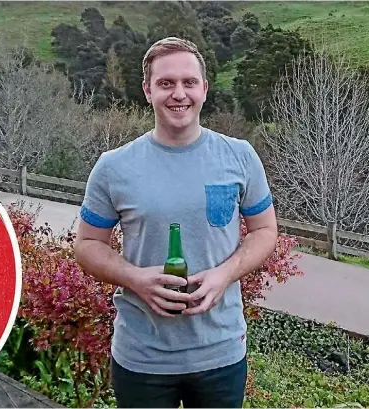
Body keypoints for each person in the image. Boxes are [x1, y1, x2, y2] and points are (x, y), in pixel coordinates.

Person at [73, 36, 278, 408]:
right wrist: (136, 278)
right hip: (142, 357)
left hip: (221, 353)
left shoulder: (240, 156)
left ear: (204, 89)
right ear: (147, 91)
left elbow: (265, 231)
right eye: (166, 83)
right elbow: (87, 246)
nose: (178, 93)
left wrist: (224, 274)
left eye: (189, 82)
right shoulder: (114, 167)